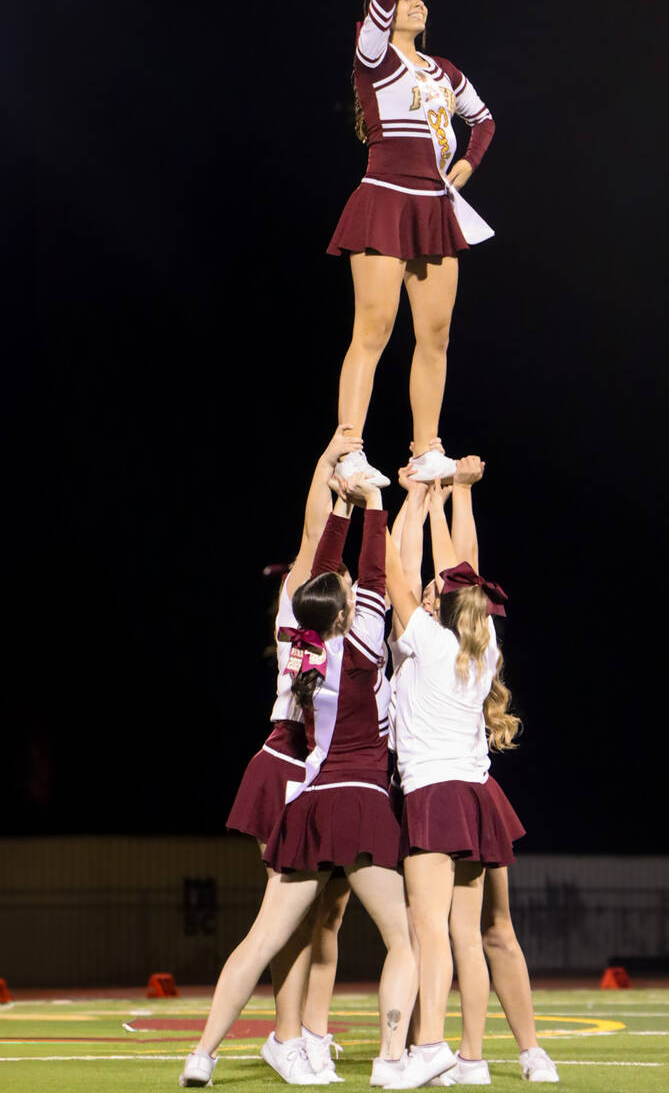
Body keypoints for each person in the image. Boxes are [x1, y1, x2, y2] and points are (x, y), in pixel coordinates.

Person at [179, 474, 418, 1089]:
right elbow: (371, 570)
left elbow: (327, 572)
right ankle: (395, 1060)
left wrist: (345, 507)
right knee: (409, 939)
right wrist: (375, 504)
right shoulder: (363, 642)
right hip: (357, 804)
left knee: (262, 940)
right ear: (342, 609)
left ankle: (201, 1055)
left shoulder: (300, 647)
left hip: (306, 804)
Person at [384, 470, 558, 1087]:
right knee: (467, 933)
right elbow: (465, 570)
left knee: (437, 929)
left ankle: (434, 1047)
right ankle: (475, 1058)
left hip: (438, 794)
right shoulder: (481, 650)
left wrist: (390, 498)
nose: (429, 588)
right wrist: (454, 493)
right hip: (477, 796)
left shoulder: (426, 641)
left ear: (446, 605)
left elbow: (395, 572)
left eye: (438, 588)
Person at [329, 0, 495, 488]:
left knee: (436, 335)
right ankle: (349, 446)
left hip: (435, 207)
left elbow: (486, 121)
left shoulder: (444, 70)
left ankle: (427, 448)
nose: (417, 1)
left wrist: (465, 171)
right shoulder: (372, 57)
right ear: (384, 11)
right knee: (373, 329)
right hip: (385, 197)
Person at [219, 427, 361, 1084]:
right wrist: (328, 462)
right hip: (287, 764)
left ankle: (304, 1032)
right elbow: (312, 538)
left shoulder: (342, 632)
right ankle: (288, 1037)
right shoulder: (302, 610)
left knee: (314, 914)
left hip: (315, 770)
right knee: (286, 919)